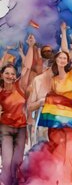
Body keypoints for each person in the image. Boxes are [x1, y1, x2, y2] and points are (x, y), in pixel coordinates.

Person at [0, 36, 34, 185]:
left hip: (21, 129)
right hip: (5, 129)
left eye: (13, 74)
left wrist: (31, 46)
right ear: (1, 75)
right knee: (7, 163)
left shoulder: (19, 85)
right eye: (7, 73)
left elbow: (27, 67)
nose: (10, 76)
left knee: (17, 163)